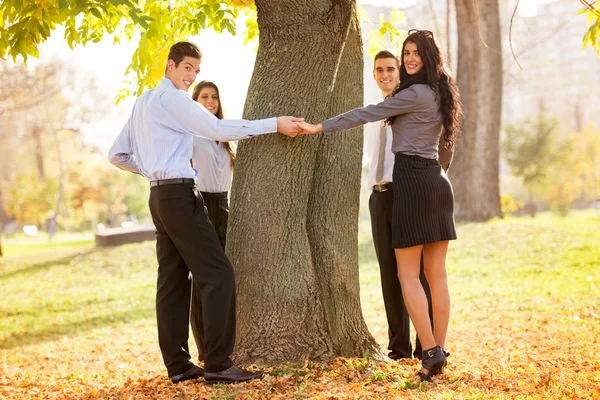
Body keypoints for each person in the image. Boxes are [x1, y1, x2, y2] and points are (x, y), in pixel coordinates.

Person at [108, 41, 303, 385]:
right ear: (170, 65)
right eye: (187, 69)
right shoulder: (173, 100)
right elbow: (217, 129)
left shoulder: (143, 102)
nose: (191, 76)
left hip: (159, 196)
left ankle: (179, 366)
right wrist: (275, 123)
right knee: (219, 273)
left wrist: (154, 172)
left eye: (196, 71)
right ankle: (217, 362)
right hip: (180, 195)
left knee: (172, 283)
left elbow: (118, 155)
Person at [297, 30, 462, 381]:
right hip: (437, 182)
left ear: (429, 57)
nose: (410, 58)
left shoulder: (413, 92)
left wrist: (319, 127)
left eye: (417, 53)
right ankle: (439, 350)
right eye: (407, 53)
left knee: (407, 274)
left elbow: (367, 112)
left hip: (414, 184)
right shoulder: (438, 92)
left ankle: (431, 351)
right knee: (436, 276)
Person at [367, 49, 447, 361]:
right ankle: (398, 348)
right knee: (389, 272)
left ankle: (424, 344)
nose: (385, 74)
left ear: (399, 72)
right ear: (374, 76)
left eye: (390, 69)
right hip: (379, 196)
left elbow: (441, 145)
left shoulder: (411, 104)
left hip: (408, 193)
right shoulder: (374, 112)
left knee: (418, 273)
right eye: (379, 70)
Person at [188, 80, 235, 364]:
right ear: (194, 101)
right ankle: (205, 349)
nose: (210, 101)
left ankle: (222, 341)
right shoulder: (191, 133)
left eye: (214, 97)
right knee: (202, 278)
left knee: (223, 276)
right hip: (201, 203)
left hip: (224, 205)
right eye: (204, 96)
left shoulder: (224, 135)